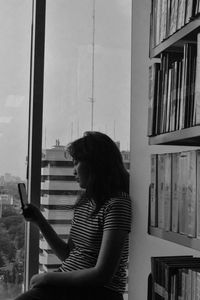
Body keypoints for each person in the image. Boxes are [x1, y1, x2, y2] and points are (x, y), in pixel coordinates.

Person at [15, 131, 132, 300]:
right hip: (71, 287)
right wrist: (39, 220)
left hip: (98, 293)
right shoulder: (85, 202)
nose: (73, 171)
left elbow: (102, 275)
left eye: (77, 163)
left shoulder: (117, 204)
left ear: (95, 164)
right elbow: (69, 255)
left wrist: (47, 278)